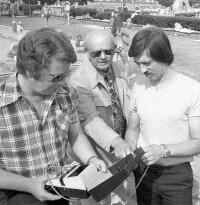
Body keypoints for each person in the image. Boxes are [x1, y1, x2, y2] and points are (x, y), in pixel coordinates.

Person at [0, 27, 106, 205]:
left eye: (66, 75)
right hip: (15, 194)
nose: (63, 82)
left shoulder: (65, 94)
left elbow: (76, 134)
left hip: (59, 189)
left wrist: (92, 159)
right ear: (29, 70)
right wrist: (29, 185)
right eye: (56, 77)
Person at [124, 28, 200, 205]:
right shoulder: (138, 85)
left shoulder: (192, 89)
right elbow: (132, 128)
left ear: (165, 56)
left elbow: (199, 143)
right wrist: (129, 150)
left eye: (147, 63)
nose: (142, 70)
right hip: (144, 172)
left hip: (176, 175)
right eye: (138, 63)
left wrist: (163, 150)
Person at [69, 30, 132, 205]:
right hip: (95, 153)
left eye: (108, 51)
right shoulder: (78, 80)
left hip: (119, 151)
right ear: (86, 52)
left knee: (120, 198)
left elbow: (127, 104)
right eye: (96, 53)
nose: (103, 57)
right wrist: (117, 141)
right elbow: (89, 119)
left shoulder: (119, 69)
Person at [111, 14, 130, 78]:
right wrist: (125, 28)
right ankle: (128, 76)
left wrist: (125, 42)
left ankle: (114, 74)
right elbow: (127, 35)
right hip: (121, 47)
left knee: (114, 62)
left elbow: (116, 38)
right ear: (120, 21)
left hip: (115, 47)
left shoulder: (113, 29)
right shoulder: (121, 29)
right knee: (126, 62)